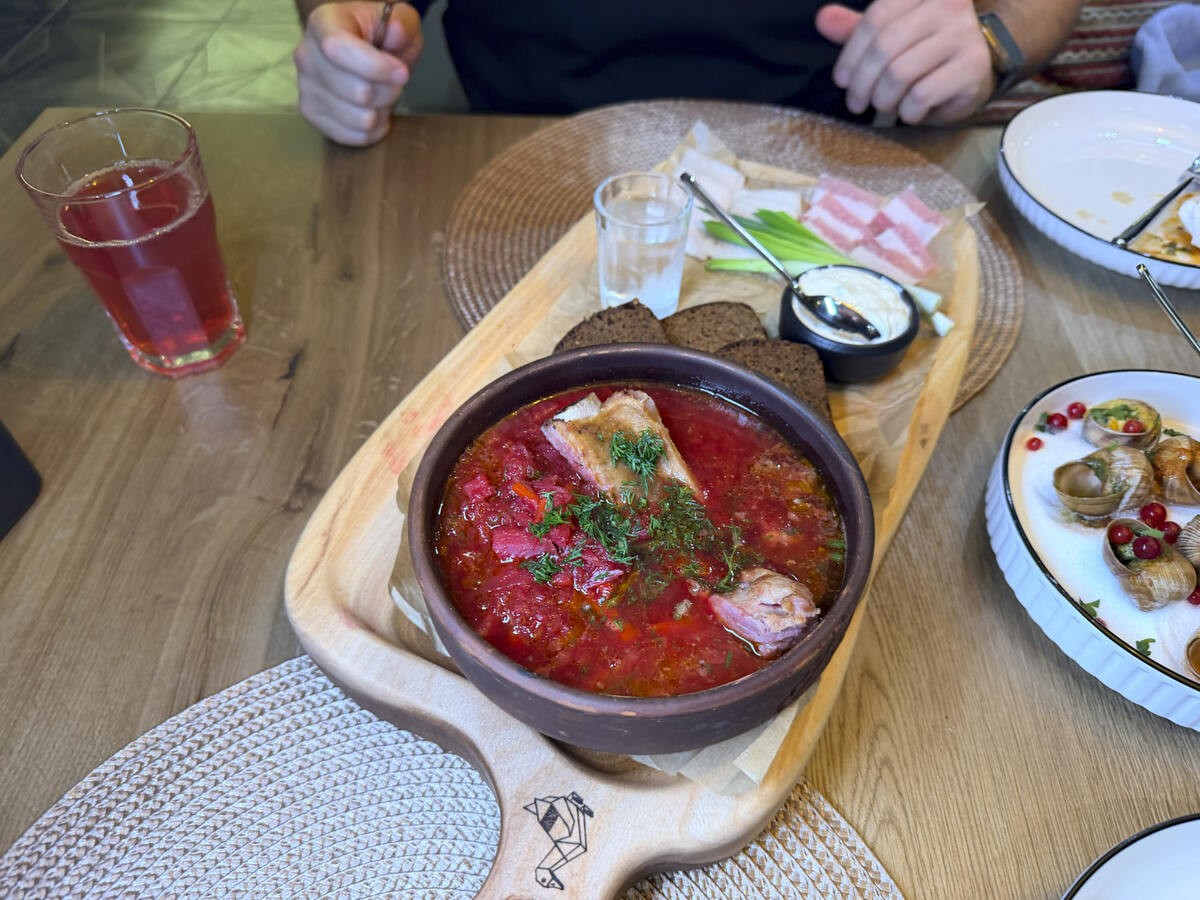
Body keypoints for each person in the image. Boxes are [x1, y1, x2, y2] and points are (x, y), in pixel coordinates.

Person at [293, 0, 1081, 146]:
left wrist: (992, 43)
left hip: (818, 152)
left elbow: (1041, 8)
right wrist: (345, 30)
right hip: (522, 144)